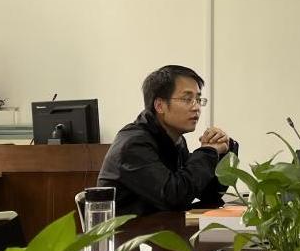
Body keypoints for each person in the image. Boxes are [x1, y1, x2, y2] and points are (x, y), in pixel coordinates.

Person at [99, 65, 238, 217]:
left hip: (160, 228)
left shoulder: (176, 140)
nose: (196, 107)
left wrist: (223, 152)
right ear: (160, 106)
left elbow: (208, 194)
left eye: (198, 99)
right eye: (187, 99)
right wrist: (208, 152)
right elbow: (175, 196)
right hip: (128, 231)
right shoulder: (133, 145)